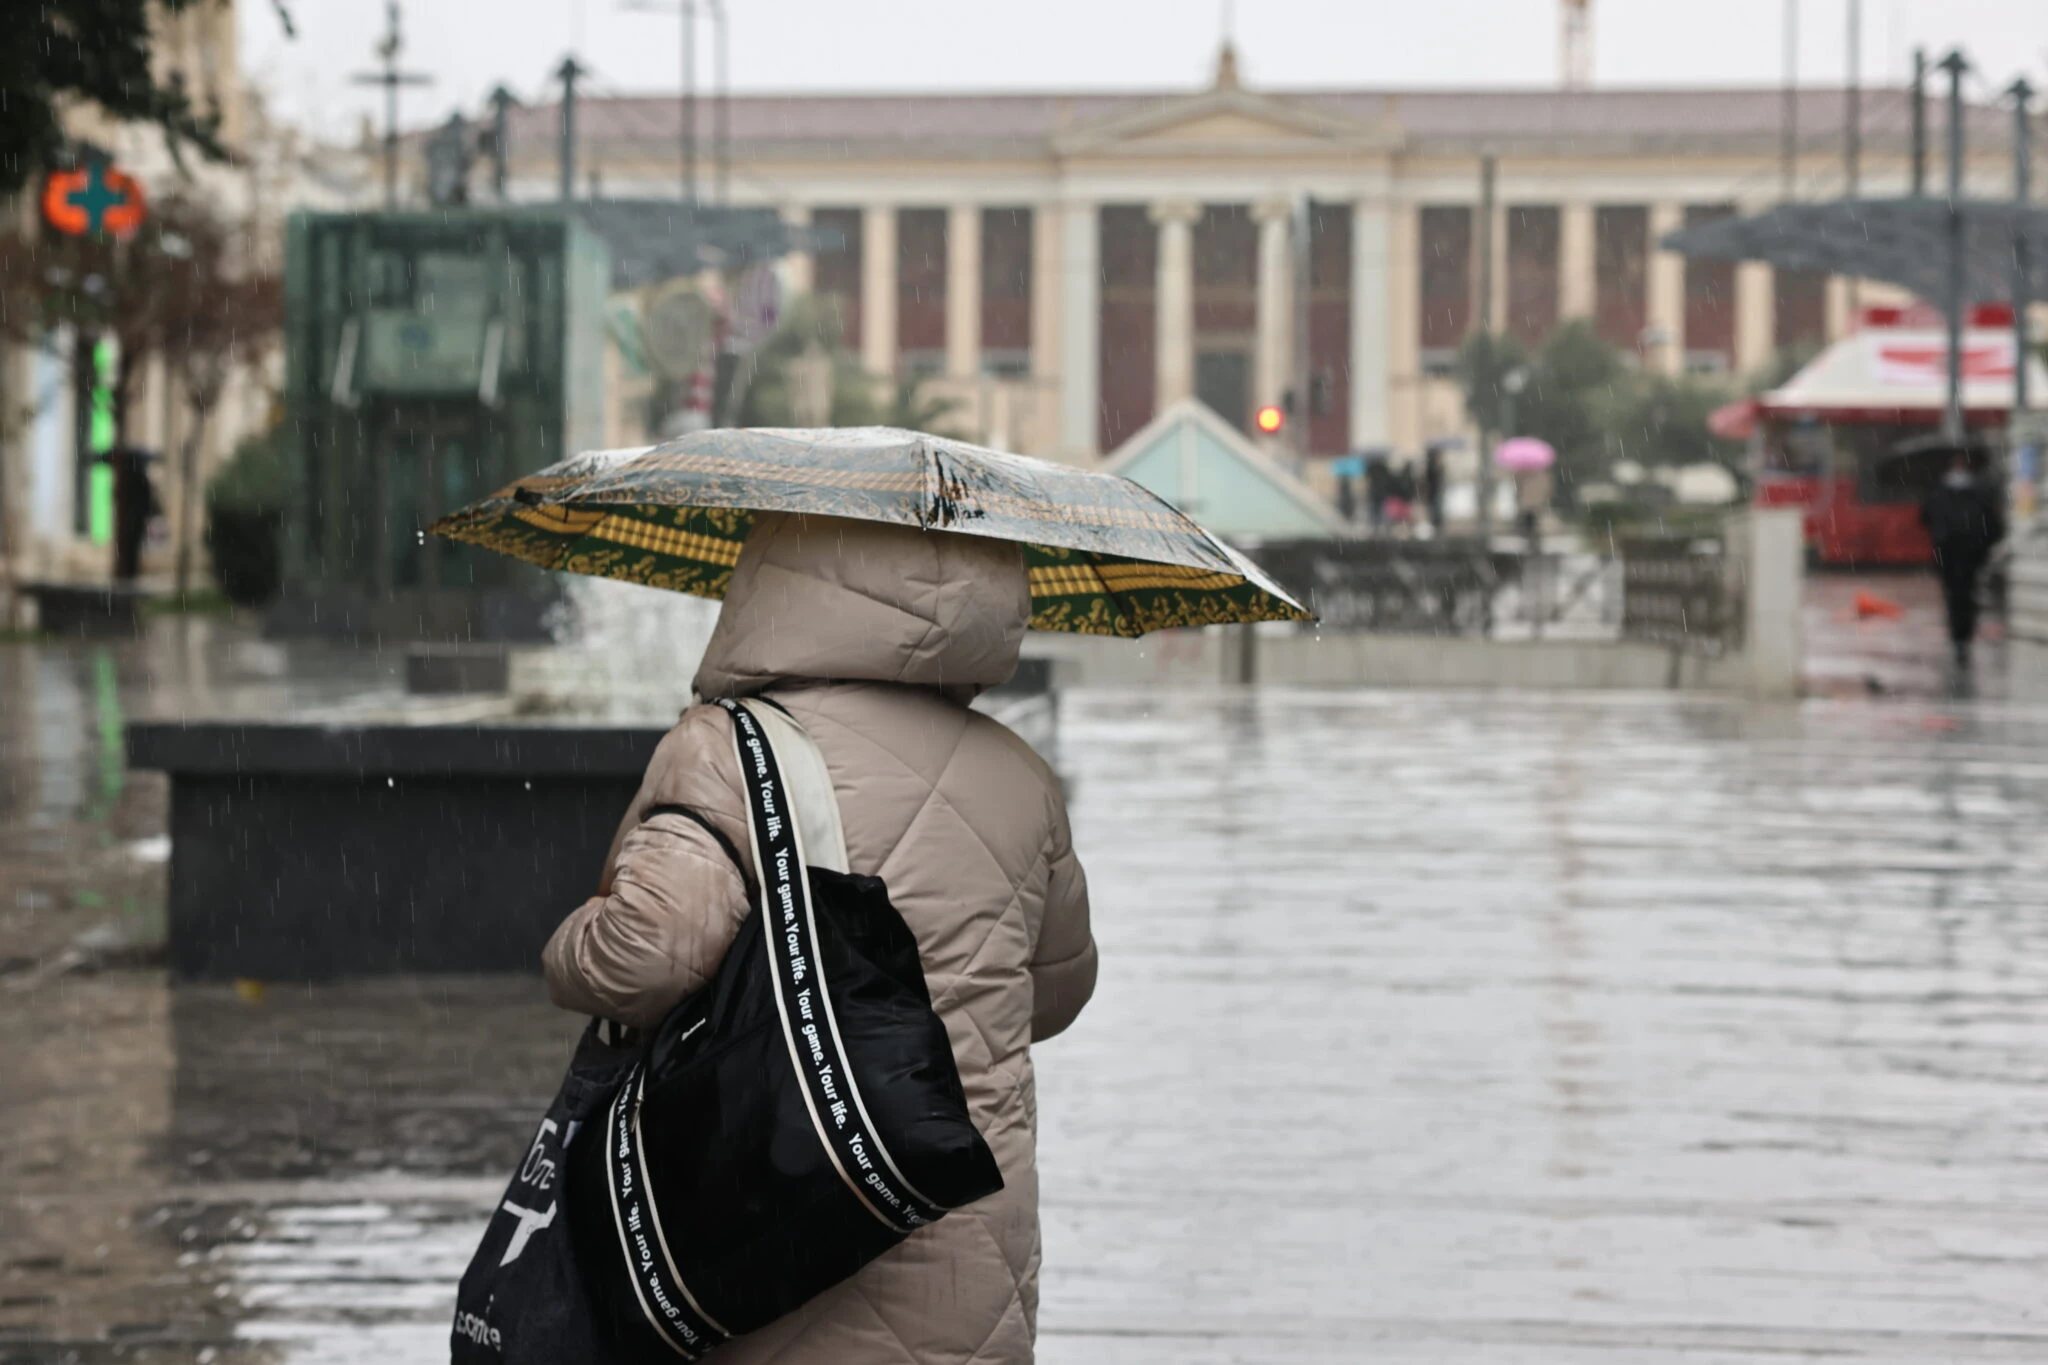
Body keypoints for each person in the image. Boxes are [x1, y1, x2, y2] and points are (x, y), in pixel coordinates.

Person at [542, 511, 1097, 1365]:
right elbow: (1054, 992)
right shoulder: (1021, 773)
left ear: (783, 568)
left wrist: (565, 944)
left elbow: (645, 956)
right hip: (961, 1233)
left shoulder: (727, 746)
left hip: (781, 1226)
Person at [1919, 450, 2005, 669]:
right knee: (1965, 593)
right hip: (1968, 553)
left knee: (1955, 594)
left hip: (1950, 552)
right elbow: (1993, 526)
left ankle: (1959, 635)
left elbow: (1925, 517)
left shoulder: (1940, 492)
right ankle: (1962, 635)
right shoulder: (1979, 492)